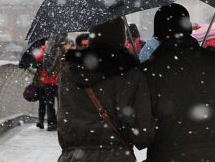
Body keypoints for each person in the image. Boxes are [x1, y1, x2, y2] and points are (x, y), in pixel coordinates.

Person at [143, 4, 215, 162]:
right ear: (188, 28)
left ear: (158, 33)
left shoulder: (149, 70)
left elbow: (141, 131)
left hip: (168, 156)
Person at [56, 18, 153, 161]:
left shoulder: (68, 73)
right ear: (121, 37)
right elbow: (143, 136)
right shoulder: (129, 75)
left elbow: (64, 122)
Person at [35, 34, 69, 131]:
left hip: (53, 81)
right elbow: (39, 58)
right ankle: (56, 123)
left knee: (55, 104)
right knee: (55, 104)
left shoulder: (51, 51)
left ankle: (54, 123)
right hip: (53, 81)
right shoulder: (51, 50)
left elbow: (40, 59)